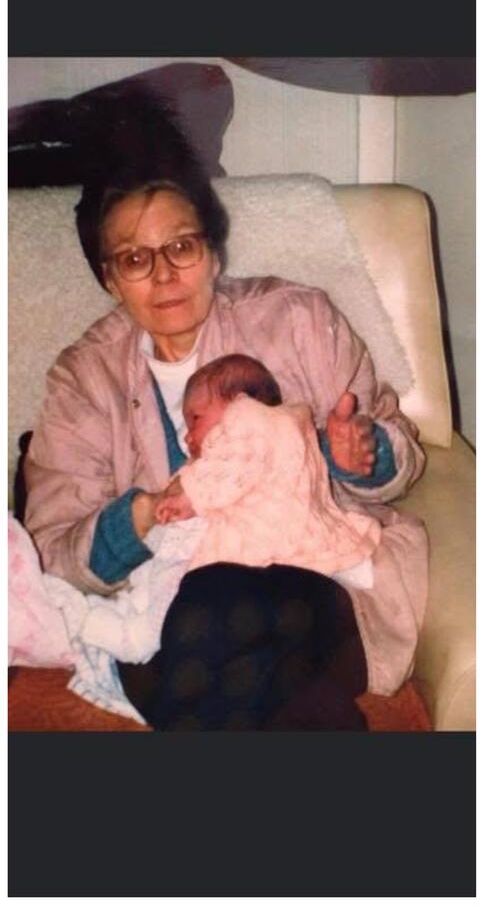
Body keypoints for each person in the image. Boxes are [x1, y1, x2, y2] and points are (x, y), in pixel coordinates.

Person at [24, 135, 428, 731]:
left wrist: (360, 454)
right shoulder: (84, 379)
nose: (164, 276)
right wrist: (144, 514)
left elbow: (402, 448)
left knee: (207, 615)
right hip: (168, 606)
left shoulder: (297, 319)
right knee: (214, 626)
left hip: (312, 583)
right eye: (135, 259)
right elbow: (51, 551)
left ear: (213, 252)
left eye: (181, 247)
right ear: (109, 279)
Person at [154, 352, 382, 579]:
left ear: (237, 400)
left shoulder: (245, 419)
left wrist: (188, 495)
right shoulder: (287, 428)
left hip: (270, 551)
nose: (188, 436)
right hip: (306, 545)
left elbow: (227, 470)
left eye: (195, 419)